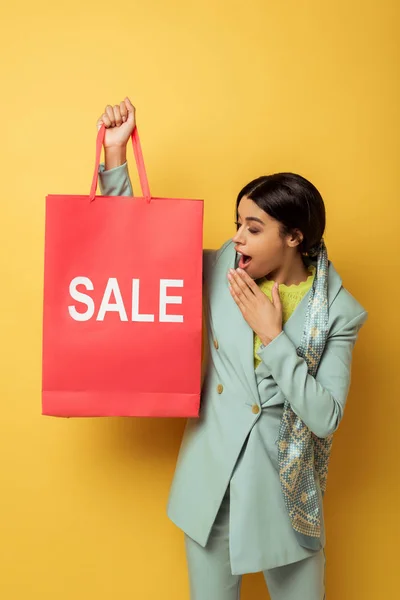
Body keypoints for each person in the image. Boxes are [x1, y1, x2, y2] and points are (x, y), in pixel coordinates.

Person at [95, 98, 368, 600]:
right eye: (237, 223)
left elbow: (325, 415)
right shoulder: (223, 267)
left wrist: (274, 336)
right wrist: (116, 157)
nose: (237, 237)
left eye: (254, 228)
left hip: (286, 501)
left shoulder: (339, 311)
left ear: (294, 237)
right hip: (209, 488)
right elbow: (138, 254)